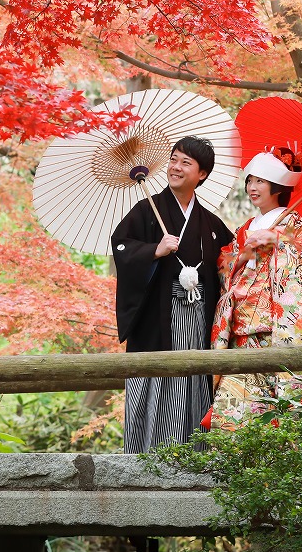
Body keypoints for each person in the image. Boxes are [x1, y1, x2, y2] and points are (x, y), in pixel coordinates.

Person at [111, 136, 235, 453]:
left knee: (193, 377)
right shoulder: (146, 210)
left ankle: (193, 456)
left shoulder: (210, 223)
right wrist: (155, 249)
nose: (175, 168)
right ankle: (150, 457)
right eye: (174, 159)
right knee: (159, 380)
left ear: (202, 174)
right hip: (159, 319)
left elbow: (229, 263)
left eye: (185, 163)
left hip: (198, 317)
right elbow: (121, 246)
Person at [208, 150, 302, 428]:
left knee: (282, 412)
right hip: (241, 329)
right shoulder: (245, 227)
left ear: (277, 187)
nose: (252, 188)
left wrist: (279, 240)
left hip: (274, 329)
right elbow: (225, 268)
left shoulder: (293, 224)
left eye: (260, 181)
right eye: (250, 181)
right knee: (232, 414)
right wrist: (242, 256)